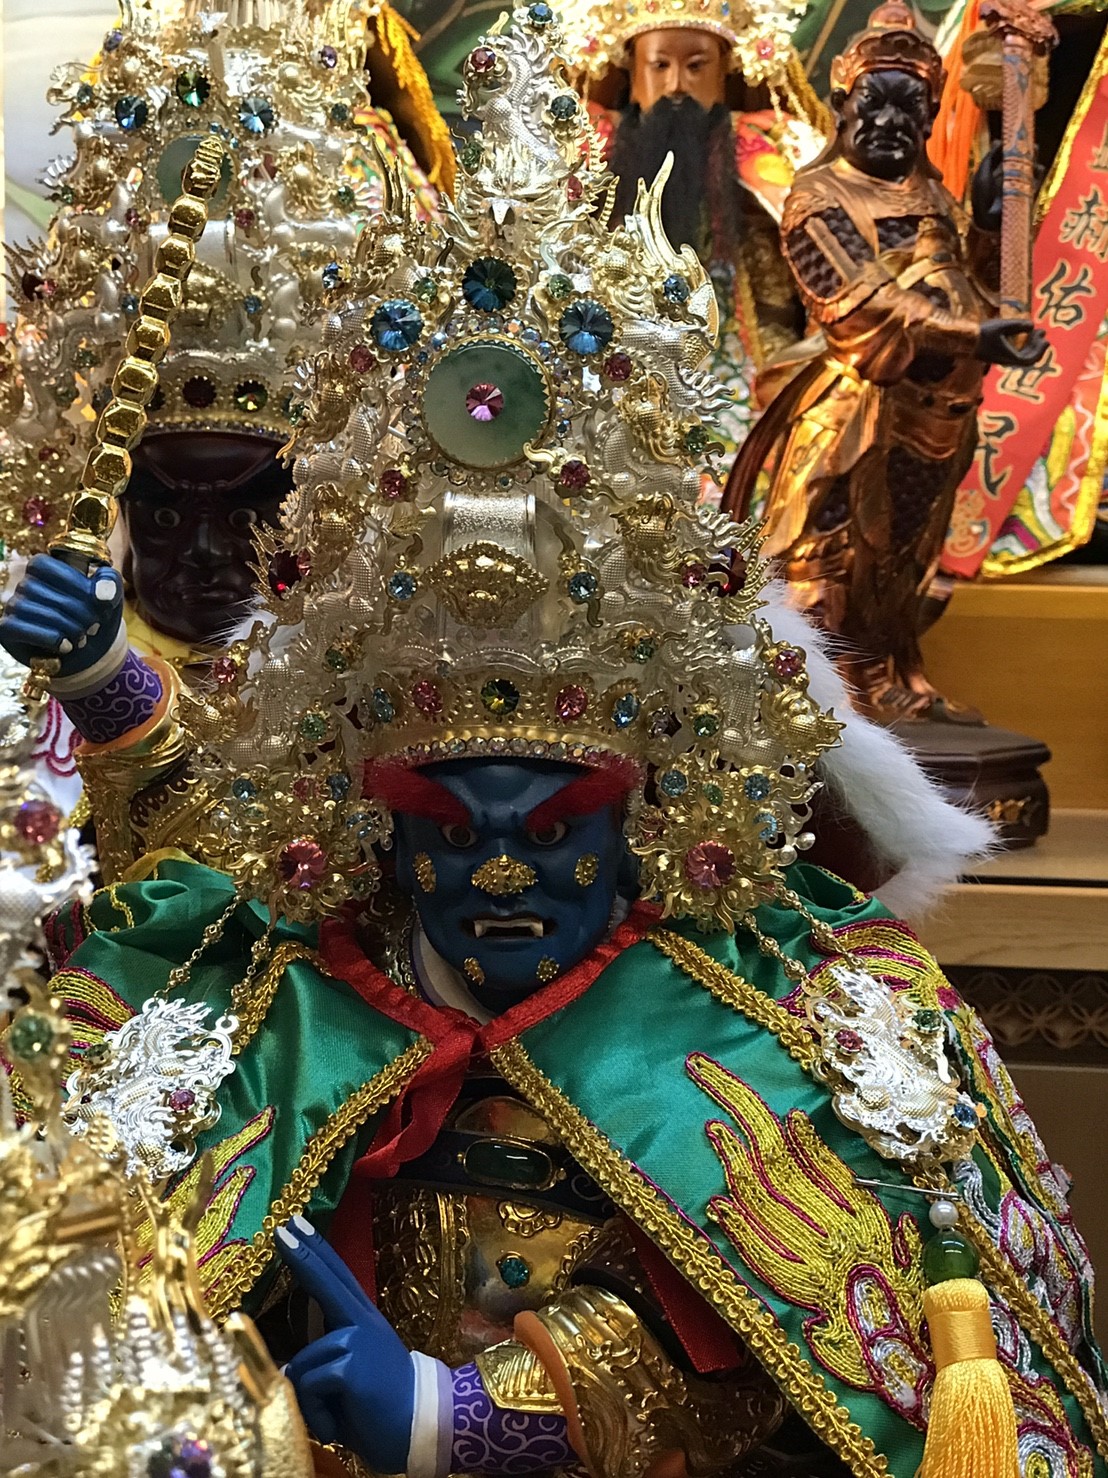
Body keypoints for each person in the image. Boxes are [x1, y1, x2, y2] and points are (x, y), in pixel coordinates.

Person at [13, 11, 1106, 1475]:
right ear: (375, 833)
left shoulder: (771, 1023)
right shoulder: (287, 996)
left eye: (552, 831)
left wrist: (464, 1417)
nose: (498, 877)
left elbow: (780, 1365)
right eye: (445, 831)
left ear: (646, 827)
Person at [0, 0, 447, 872]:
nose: (204, 554)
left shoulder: (382, 684)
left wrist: (106, 684)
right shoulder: (31, 674)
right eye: (166, 515)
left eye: (248, 514)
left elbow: (265, 881)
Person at [724, 2, 1048, 722]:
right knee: (829, 553)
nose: (891, 121)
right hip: (853, 412)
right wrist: (974, 337)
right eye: (876, 102)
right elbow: (861, 303)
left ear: (930, 119)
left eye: (911, 108)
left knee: (904, 555)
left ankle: (889, 681)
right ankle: (815, 697)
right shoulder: (817, 197)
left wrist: (989, 222)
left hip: (937, 415)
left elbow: (979, 289)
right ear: (843, 105)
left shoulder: (932, 195)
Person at [569, 0, 828, 461]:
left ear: (723, 70)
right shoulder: (588, 145)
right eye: (660, 66)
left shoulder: (772, 147)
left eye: (695, 67)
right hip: (617, 352)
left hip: (741, 355)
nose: (676, 85)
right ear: (632, 70)